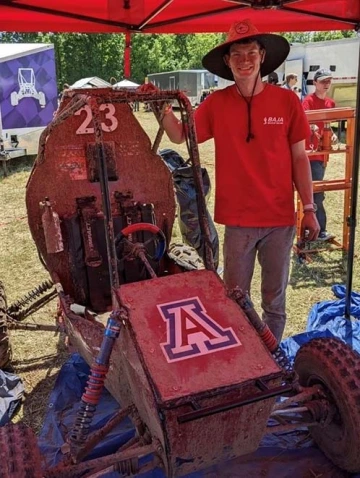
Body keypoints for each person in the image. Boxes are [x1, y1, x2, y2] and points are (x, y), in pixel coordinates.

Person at [141, 19, 319, 342]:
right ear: (227, 61)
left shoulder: (287, 102)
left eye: (251, 52)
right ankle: (244, 357)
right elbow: (181, 135)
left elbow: (299, 158)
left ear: (262, 55)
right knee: (236, 299)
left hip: (280, 220)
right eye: (237, 55)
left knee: (274, 303)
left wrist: (309, 207)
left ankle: (272, 357)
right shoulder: (217, 104)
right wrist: (162, 107)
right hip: (238, 223)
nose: (245, 60)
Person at [302, 68, 336, 241]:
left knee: (318, 193)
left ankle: (315, 230)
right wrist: (312, 127)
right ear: (314, 83)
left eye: (328, 81)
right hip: (310, 156)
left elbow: (329, 125)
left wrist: (333, 135)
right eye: (323, 81)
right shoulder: (308, 102)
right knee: (316, 194)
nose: (326, 84)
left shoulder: (330, 103)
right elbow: (303, 122)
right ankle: (317, 230)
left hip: (322, 156)